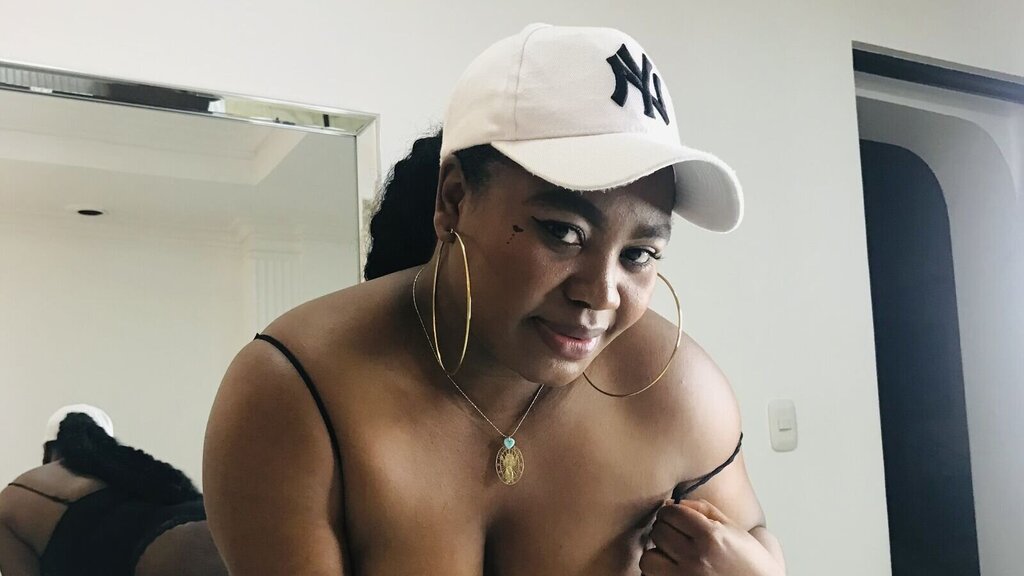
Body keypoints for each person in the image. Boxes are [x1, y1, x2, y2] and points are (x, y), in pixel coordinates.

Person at [204, 23, 787, 575]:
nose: (600, 294)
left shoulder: (680, 396)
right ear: (454, 200)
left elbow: (754, 538)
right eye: (563, 231)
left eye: (639, 254)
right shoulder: (297, 396)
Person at [0, 405, 227, 576]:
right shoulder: (130, 470)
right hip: (210, 533)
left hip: (152, 557)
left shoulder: (19, 496)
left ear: (48, 451)